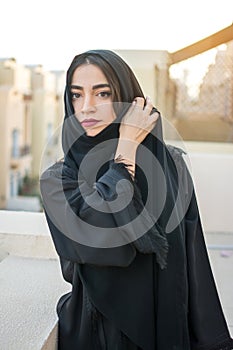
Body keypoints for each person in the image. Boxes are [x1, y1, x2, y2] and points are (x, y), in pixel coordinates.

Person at [40, 50, 233, 350]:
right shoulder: (58, 180)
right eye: (77, 95)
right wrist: (126, 148)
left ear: (128, 99)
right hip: (98, 331)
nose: (87, 107)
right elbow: (102, 241)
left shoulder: (171, 165)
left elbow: (192, 259)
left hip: (167, 325)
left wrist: (211, 340)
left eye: (102, 93)